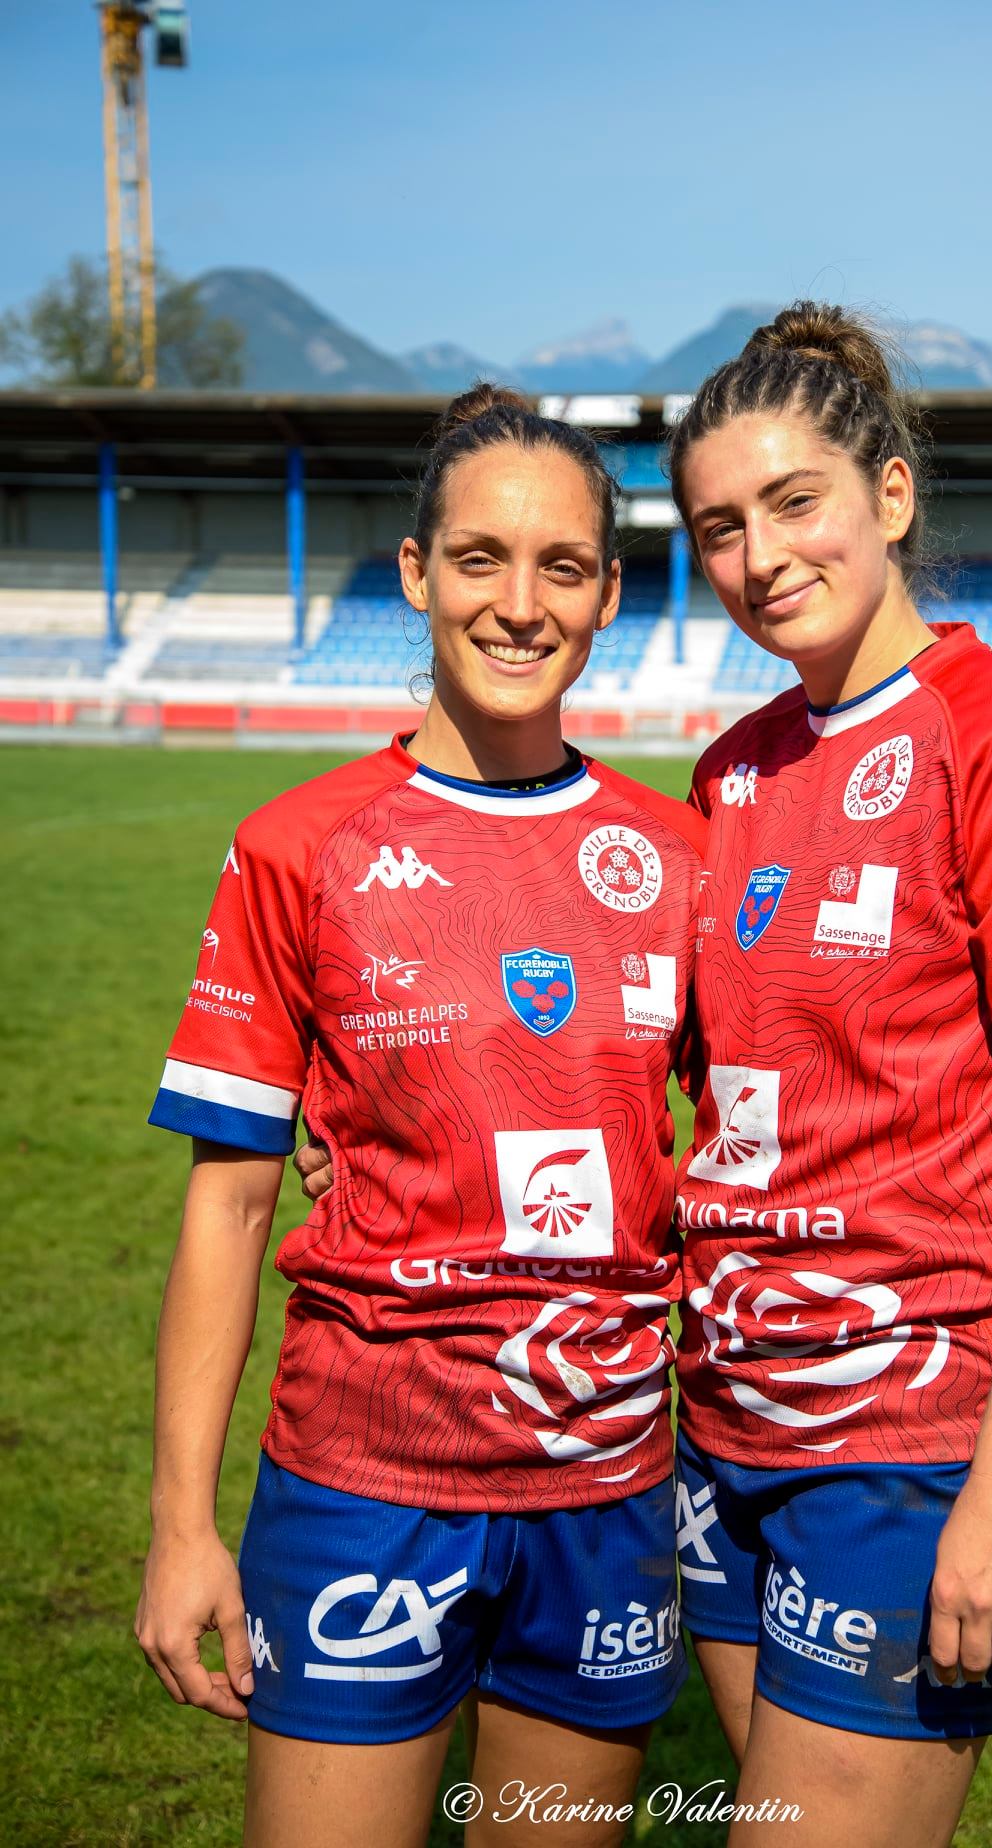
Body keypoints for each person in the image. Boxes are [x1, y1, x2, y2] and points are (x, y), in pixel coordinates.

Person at [135, 385, 707, 1848]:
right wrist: (181, 1526)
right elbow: (231, 1199)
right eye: (478, 559)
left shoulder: (679, 856)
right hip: (359, 1483)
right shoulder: (295, 849)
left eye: (561, 567)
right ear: (414, 573)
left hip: (603, 1487)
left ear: (608, 594)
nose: (519, 606)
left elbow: (760, 1143)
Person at [664, 303, 992, 1845]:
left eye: (793, 503)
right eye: (718, 529)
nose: (760, 559)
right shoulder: (732, 769)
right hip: (717, 1425)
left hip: (905, 1443)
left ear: (887, 495)